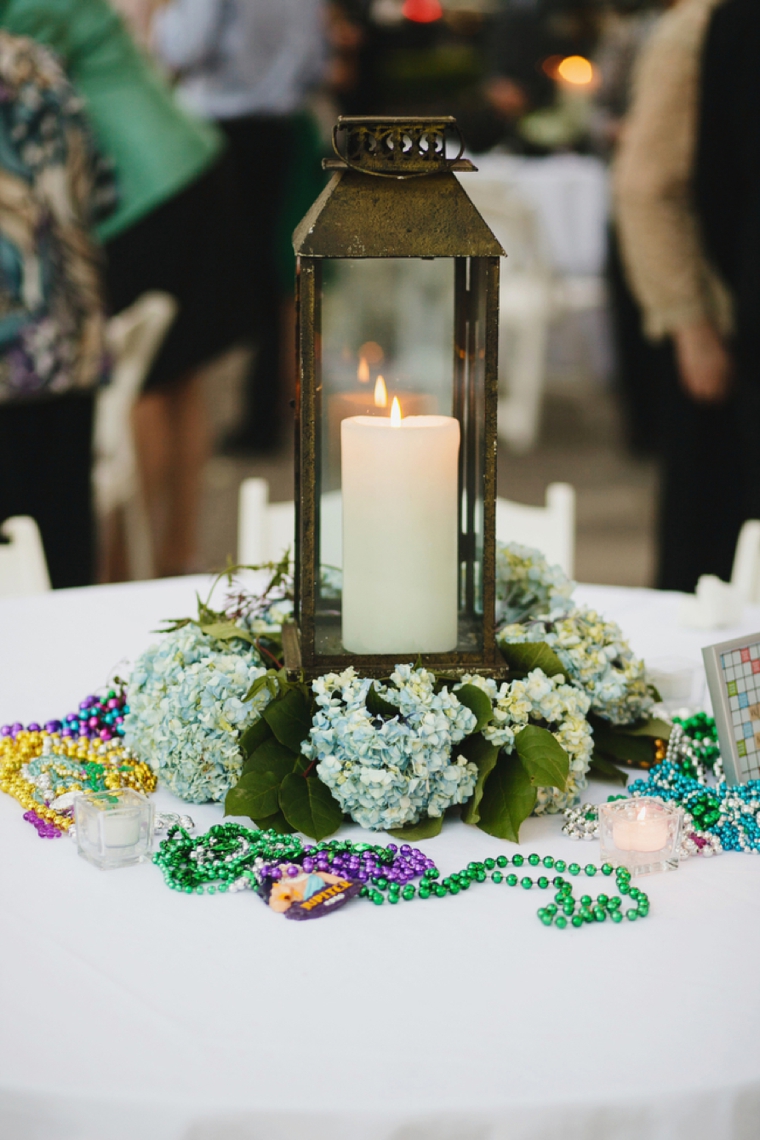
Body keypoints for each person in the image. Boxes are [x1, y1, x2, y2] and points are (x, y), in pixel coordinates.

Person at [0, 0, 253, 579]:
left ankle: (123, 575)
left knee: (147, 385)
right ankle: (174, 554)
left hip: (142, 187)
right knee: (177, 374)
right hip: (190, 157)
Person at [153, 0, 327, 454]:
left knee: (195, 276)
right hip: (278, 130)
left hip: (217, 133)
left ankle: (187, 419)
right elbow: (315, 59)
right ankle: (261, 416)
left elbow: (182, 47)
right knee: (268, 276)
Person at [613, 0, 739, 593]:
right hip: (733, 332)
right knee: (718, 559)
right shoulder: (701, 28)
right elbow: (646, 188)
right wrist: (690, 322)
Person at [0, 30, 111, 588]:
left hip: (19, 345)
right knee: (61, 536)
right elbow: (101, 190)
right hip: (70, 332)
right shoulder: (37, 64)